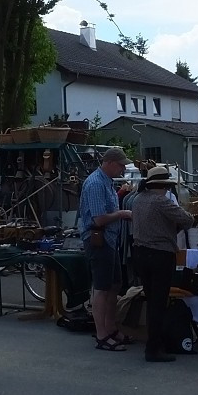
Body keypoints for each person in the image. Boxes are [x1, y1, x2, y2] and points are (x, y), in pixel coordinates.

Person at [131, 166, 195, 362]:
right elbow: (188, 219)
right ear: (164, 185)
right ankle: (153, 349)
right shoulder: (161, 202)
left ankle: (154, 343)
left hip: (140, 252)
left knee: (152, 300)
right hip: (160, 255)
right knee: (159, 303)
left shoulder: (137, 199)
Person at [79, 147, 133, 351]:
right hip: (98, 240)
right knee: (101, 289)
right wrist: (123, 214)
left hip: (110, 240)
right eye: (120, 165)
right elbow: (99, 219)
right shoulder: (95, 184)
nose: (122, 169)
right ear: (109, 162)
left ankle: (110, 328)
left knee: (114, 286)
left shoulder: (106, 182)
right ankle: (101, 335)